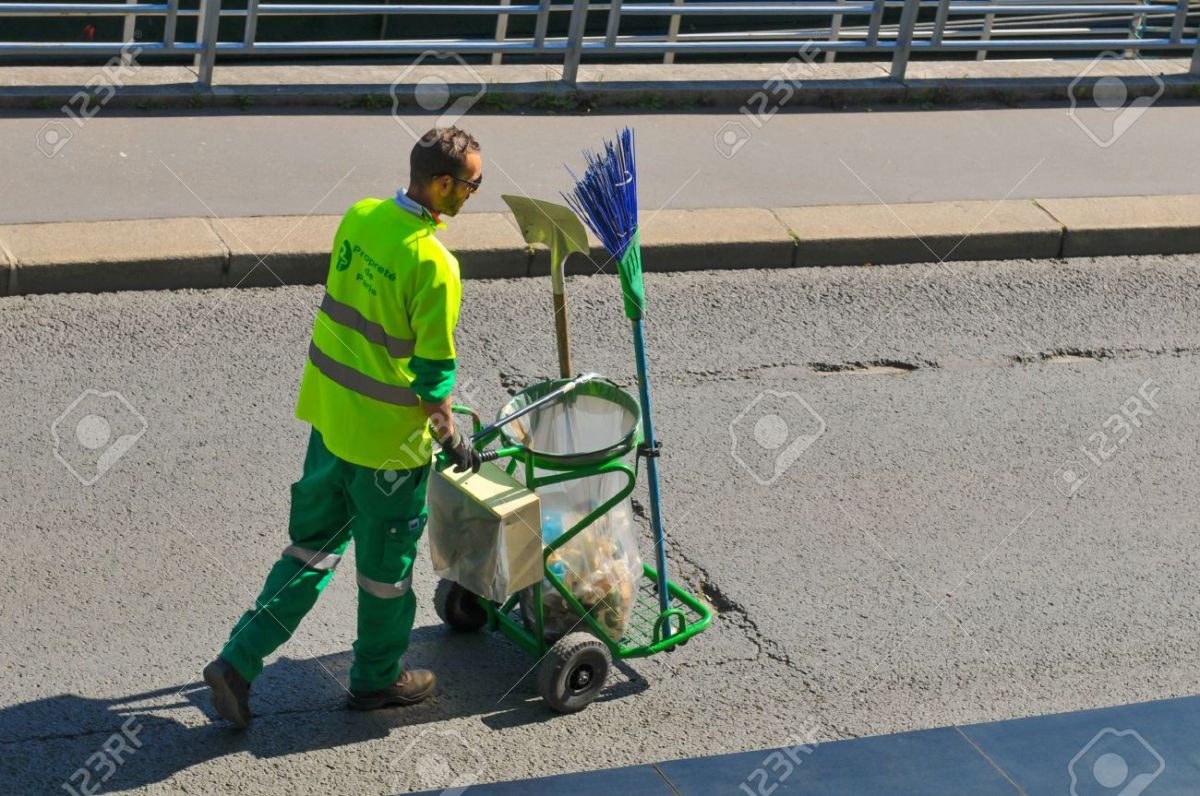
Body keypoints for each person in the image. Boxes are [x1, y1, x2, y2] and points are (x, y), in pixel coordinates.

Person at [203, 126, 485, 729]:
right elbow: (433, 378)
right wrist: (452, 439)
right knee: (386, 577)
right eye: (472, 185)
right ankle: (377, 680)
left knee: (308, 554)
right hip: (387, 450)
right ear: (442, 185)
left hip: (330, 427)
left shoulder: (360, 217)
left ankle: (238, 660)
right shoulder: (435, 264)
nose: (473, 195)